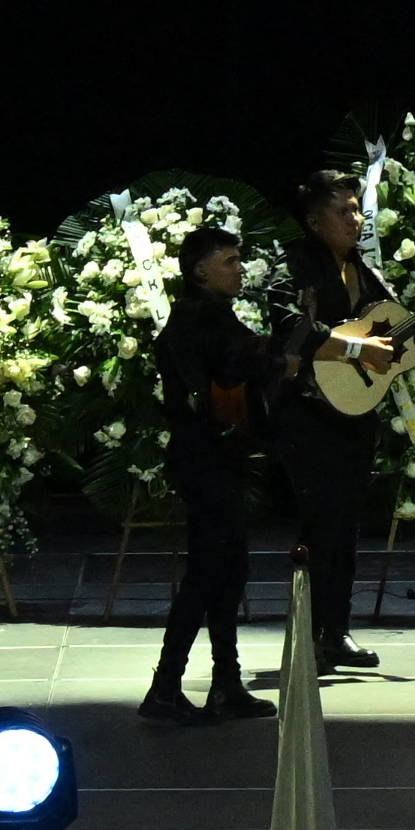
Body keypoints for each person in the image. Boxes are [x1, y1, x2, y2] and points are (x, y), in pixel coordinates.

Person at [274, 173, 415, 675]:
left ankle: (336, 631)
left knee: (347, 524)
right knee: (322, 523)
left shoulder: (361, 268)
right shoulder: (295, 263)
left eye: (358, 211)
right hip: (308, 411)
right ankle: (311, 634)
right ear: (315, 220)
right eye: (344, 212)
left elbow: (393, 333)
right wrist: (357, 348)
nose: (356, 220)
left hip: (355, 410)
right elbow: (290, 326)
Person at [135, 226, 277, 726]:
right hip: (208, 457)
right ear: (201, 270)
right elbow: (236, 364)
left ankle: (225, 683)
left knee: (227, 569)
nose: (241, 269)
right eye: (231, 261)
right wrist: (283, 350)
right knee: (207, 574)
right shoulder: (202, 316)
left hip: (210, 456)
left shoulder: (198, 314)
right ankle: (166, 686)